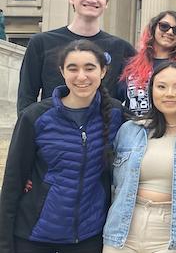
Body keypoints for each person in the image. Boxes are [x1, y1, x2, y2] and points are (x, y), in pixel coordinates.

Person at [0, 40, 125, 252]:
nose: (81, 76)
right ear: (62, 71)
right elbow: (13, 182)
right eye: (72, 68)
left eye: (90, 68)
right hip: (35, 235)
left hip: (89, 236)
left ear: (103, 71)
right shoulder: (35, 116)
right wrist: (4, 244)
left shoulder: (115, 114)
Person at [103, 62, 176, 252]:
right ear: (151, 91)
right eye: (161, 86)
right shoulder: (129, 130)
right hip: (122, 231)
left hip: (173, 235)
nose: (169, 93)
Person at [17, 0, 136, 115]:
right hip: (53, 131)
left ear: (106, 3)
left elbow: (133, 97)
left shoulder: (122, 49)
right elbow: (26, 95)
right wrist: (27, 130)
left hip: (104, 132)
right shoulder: (41, 42)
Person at [117, 11, 176, 116]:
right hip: (134, 128)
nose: (170, 32)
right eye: (164, 26)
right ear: (153, 28)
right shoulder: (131, 65)